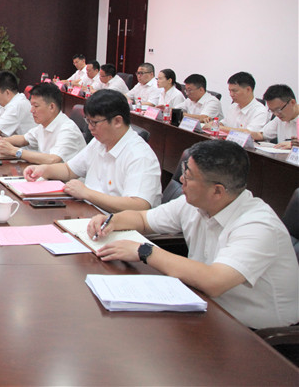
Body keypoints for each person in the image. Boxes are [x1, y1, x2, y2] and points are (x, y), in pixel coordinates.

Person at [87, 140, 298, 330]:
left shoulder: (258, 225)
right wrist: (111, 221)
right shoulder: (194, 203)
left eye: (188, 177)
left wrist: (145, 251)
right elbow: (143, 219)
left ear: (217, 191)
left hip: (258, 335)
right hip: (205, 307)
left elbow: (214, 281)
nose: (181, 179)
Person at [24, 89, 161, 212]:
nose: (89, 128)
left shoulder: (140, 156)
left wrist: (87, 193)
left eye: (94, 122)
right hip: (89, 213)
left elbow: (138, 205)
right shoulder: (99, 142)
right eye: (87, 121)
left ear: (117, 121)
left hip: (118, 225)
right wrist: (44, 170)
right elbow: (69, 170)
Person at [0, 82, 86, 163]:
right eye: (32, 105)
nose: (31, 110)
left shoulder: (68, 129)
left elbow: (52, 160)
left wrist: (15, 151)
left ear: (52, 107)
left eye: (36, 106)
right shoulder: (44, 124)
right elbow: (24, 139)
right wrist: (1, 141)